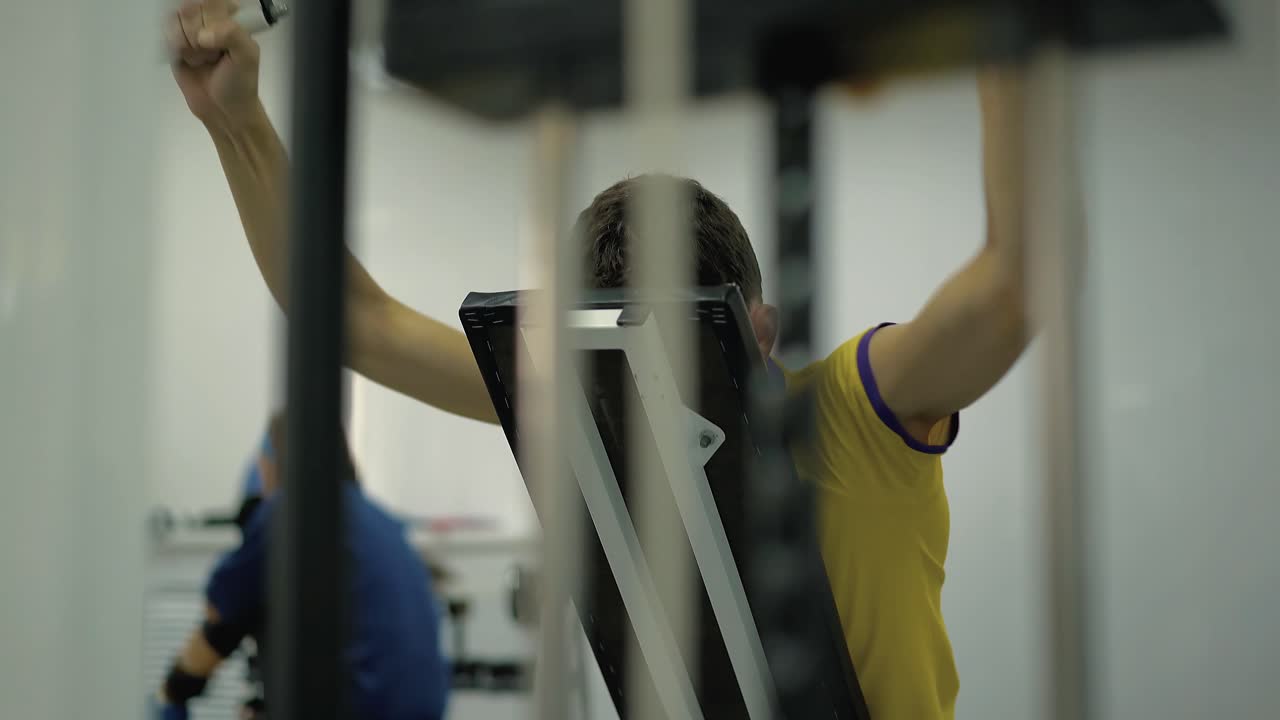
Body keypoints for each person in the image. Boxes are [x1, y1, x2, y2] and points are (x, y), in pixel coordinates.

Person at [167, 2, 1038, 716]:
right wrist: (233, 121)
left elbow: (1011, 288)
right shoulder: (589, 401)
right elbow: (354, 321)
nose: (646, 393)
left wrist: (1008, 37)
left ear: (760, 331)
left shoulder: (851, 411)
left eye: (684, 357)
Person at [150, 412, 450, 720]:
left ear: (271, 462)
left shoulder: (288, 511)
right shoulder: (384, 522)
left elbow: (220, 622)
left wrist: (172, 693)